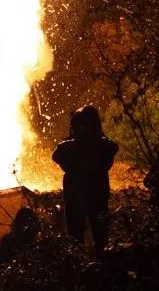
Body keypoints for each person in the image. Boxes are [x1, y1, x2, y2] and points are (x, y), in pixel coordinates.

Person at [51, 104, 119, 251]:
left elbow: (56, 155)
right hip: (95, 194)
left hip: (76, 195)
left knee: (77, 238)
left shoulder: (68, 148)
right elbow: (113, 148)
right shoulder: (104, 146)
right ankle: (103, 264)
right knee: (100, 237)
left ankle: (81, 266)